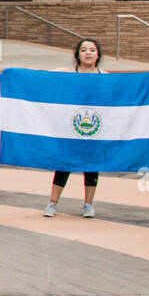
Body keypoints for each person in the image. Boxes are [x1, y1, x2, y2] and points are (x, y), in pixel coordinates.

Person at [45, 38, 107, 218]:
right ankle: (52, 203)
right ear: (78, 55)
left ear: (98, 55)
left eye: (92, 50)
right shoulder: (68, 73)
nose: (87, 53)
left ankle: (88, 205)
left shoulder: (106, 76)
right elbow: (41, 77)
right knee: (64, 163)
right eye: (83, 50)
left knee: (91, 165)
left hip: (94, 127)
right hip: (69, 126)